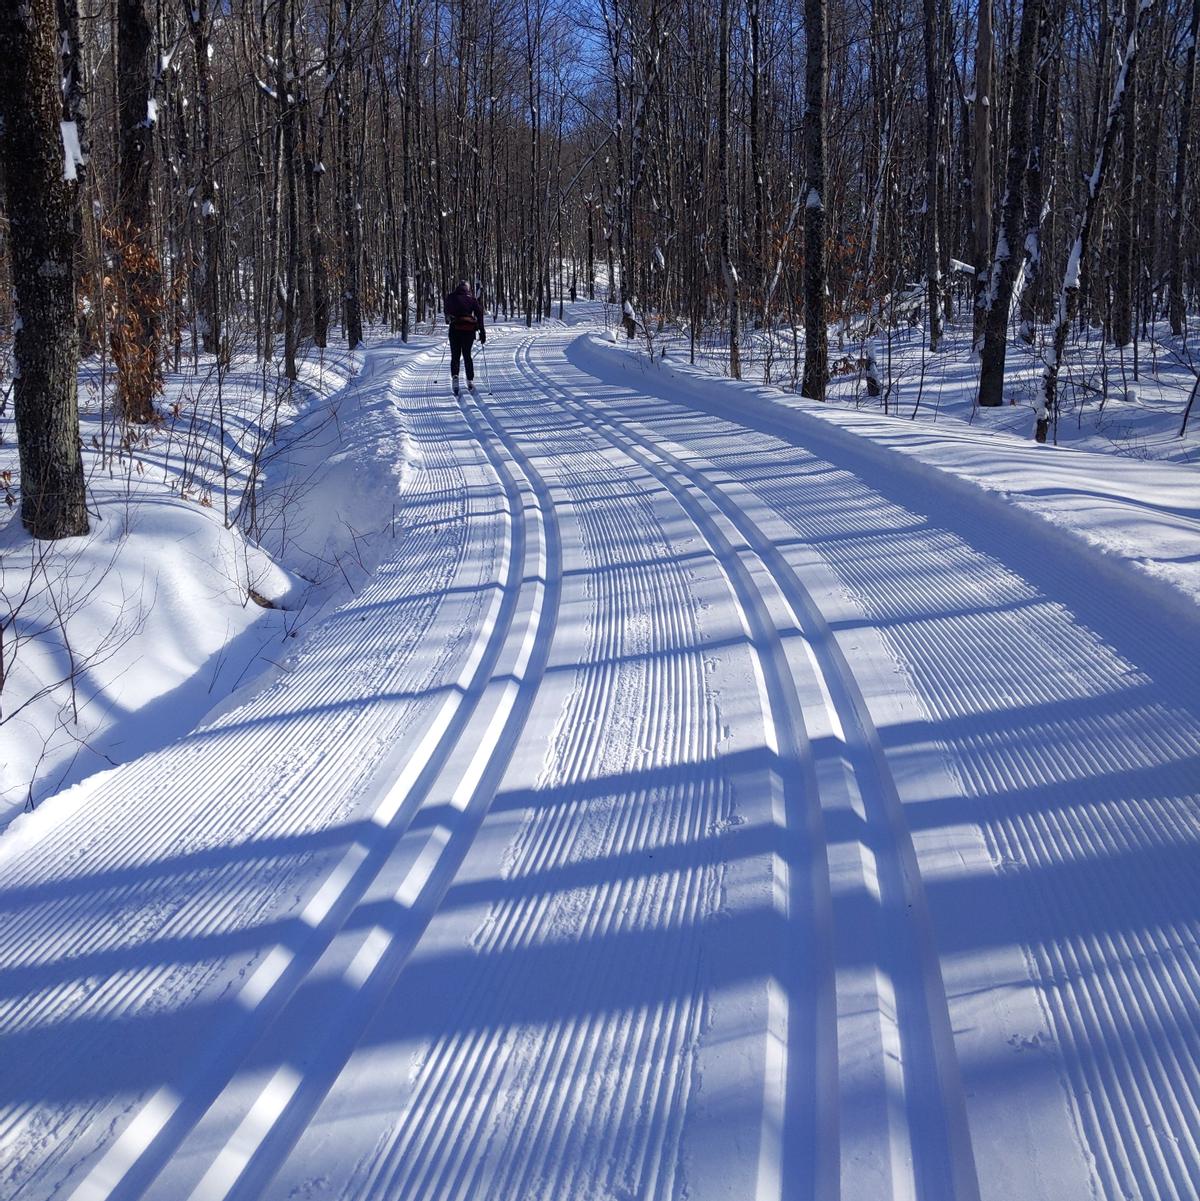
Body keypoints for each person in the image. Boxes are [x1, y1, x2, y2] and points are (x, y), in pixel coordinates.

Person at [444, 279, 486, 393]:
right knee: (467, 355)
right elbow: (479, 313)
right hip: (468, 330)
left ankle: (455, 377)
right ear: (467, 288)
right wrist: (482, 331)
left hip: (454, 329)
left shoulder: (451, 297)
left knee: (455, 355)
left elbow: (446, 312)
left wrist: (448, 320)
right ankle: (470, 380)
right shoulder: (471, 299)